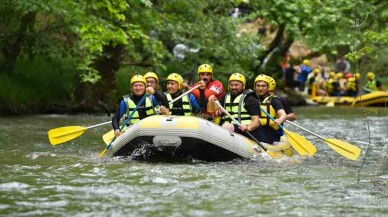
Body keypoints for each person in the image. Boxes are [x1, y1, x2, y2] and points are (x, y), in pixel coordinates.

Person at [207, 73, 261, 140]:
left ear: (243, 86)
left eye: (236, 85)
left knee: (226, 126)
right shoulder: (225, 97)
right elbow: (211, 110)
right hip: (228, 128)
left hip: (245, 130)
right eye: (231, 85)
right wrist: (211, 102)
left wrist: (248, 128)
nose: (233, 87)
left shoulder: (250, 98)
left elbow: (256, 121)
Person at [254, 74, 287, 144]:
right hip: (256, 129)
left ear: (268, 87)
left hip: (271, 132)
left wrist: (279, 120)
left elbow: (283, 115)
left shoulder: (274, 100)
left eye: (263, 86)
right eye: (258, 85)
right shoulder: (252, 99)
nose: (260, 88)